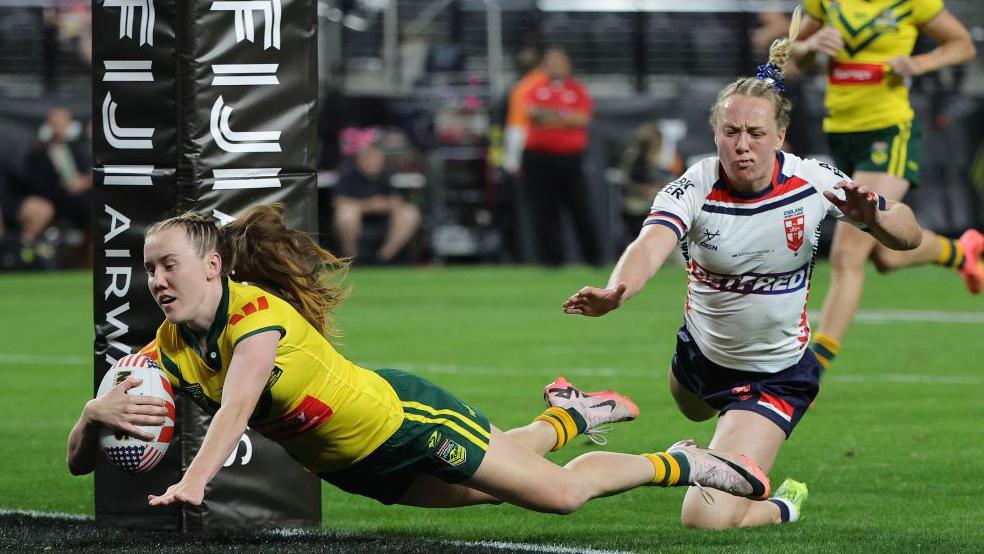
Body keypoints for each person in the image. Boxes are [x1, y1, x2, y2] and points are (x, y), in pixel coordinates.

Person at [66, 204, 771, 517]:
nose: (157, 280)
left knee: (557, 496)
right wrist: (95, 413)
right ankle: (567, 417)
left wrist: (193, 480)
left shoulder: (253, 316)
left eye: (169, 265)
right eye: (149, 268)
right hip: (356, 470)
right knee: (505, 481)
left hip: (407, 421)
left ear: (213, 266)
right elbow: (78, 459)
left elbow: (243, 401)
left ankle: (682, 461)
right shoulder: (165, 350)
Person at [562, 9, 924, 528]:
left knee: (703, 519)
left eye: (755, 132)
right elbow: (650, 243)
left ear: (780, 134)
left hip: (774, 377)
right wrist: (618, 290)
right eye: (730, 131)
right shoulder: (695, 185)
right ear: (715, 133)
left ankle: (783, 504)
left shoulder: (813, 181)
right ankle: (720, 443)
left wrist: (879, 219)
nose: (741, 145)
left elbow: (908, 233)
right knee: (690, 410)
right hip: (699, 358)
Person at [789, 0, 979, 370]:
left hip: (889, 132)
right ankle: (961, 253)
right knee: (885, 255)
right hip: (841, 132)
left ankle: (811, 370)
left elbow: (963, 44)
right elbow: (791, 53)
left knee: (847, 253)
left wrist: (921, 63)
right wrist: (810, 48)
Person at [522, 48, 601, 266]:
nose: (555, 67)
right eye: (550, 62)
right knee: (545, 210)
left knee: (580, 207)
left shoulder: (577, 90)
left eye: (559, 62)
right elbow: (531, 114)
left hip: (570, 158)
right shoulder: (535, 88)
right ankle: (551, 261)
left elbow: (580, 119)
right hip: (540, 157)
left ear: (568, 65)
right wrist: (563, 115)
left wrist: (550, 115)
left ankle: (593, 258)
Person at [333, 142, 421, 264]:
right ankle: (351, 258)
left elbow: (397, 199)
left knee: (410, 212)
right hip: (359, 217)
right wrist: (368, 205)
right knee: (346, 213)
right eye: (370, 158)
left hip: (384, 217)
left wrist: (386, 204)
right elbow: (338, 201)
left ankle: (384, 257)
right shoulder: (349, 175)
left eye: (377, 159)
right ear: (360, 160)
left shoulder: (386, 175)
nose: (374, 162)